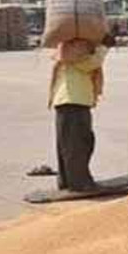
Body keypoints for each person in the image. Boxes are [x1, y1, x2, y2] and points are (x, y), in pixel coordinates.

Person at [48, 35, 112, 191]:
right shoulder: (74, 48)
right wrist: (103, 48)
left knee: (68, 144)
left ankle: (67, 181)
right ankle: (78, 183)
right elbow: (90, 64)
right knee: (78, 144)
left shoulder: (66, 47)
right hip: (74, 100)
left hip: (70, 100)